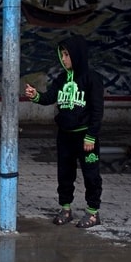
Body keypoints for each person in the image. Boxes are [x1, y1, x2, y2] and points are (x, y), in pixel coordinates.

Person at [25, 34, 104, 228]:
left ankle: (93, 213)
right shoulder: (61, 78)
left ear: (77, 55)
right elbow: (49, 97)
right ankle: (66, 208)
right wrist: (35, 96)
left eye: (67, 54)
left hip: (85, 137)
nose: (64, 59)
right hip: (65, 135)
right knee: (65, 173)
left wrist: (91, 136)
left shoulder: (92, 78)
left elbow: (97, 110)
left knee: (91, 174)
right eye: (62, 55)